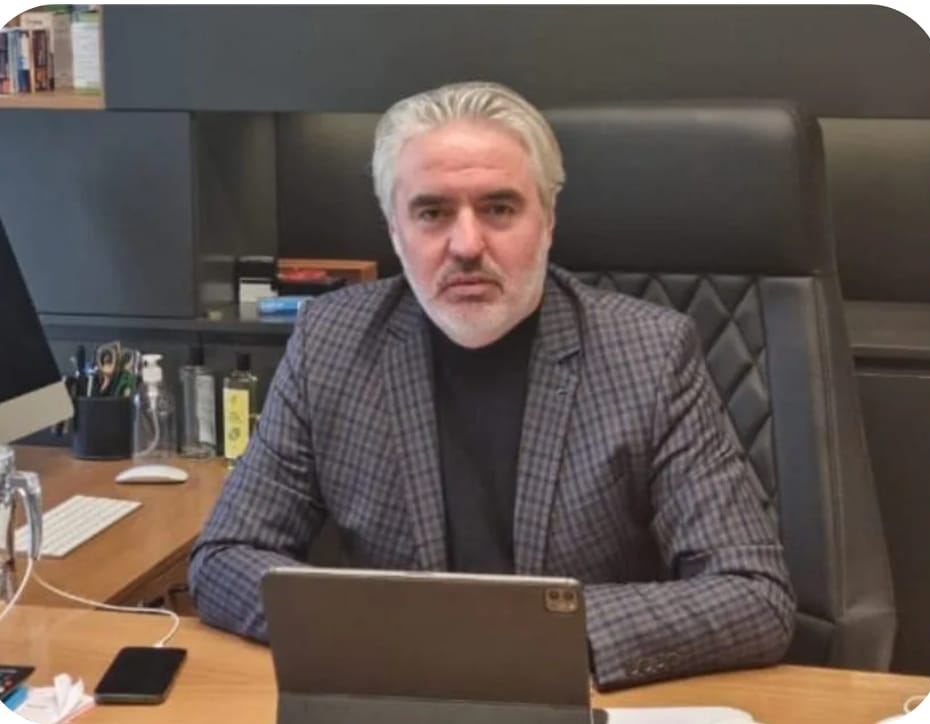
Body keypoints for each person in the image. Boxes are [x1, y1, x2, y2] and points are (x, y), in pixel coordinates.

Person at [188, 81, 795, 689]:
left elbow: (753, 594)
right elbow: (224, 556)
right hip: (398, 692)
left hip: (573, 695)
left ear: (548, 221)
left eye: (499, 209)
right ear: (394, 230)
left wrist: (529, 635)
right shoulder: (331, 341)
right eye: (432, 213)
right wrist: (384, 633)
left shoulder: (650, 354)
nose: (467, 245)